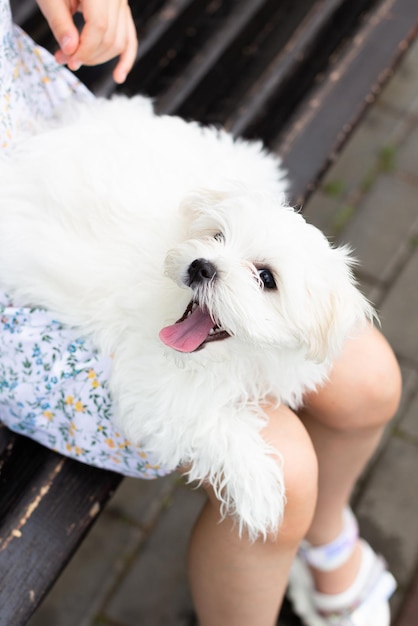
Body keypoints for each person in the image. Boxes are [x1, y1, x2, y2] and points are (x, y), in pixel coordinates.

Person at [0, 2, 402, 625]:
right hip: (26, 269)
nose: (206, 264)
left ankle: (324, 538)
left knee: (369, 381)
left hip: (30, 113)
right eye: (213, 245)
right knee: (278, 474)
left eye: (260, 275)